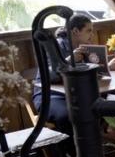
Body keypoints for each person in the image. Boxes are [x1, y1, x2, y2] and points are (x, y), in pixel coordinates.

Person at [32, 14, 94, 143]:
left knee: (98, 109)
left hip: (73, 95)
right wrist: (68, 61)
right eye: (89, 30)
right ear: (75, 31)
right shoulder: (55, 46)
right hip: (50, 96)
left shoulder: (84, 48)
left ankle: (92, 149)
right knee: (69, 115)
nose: (92, 35)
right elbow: (49, 75)